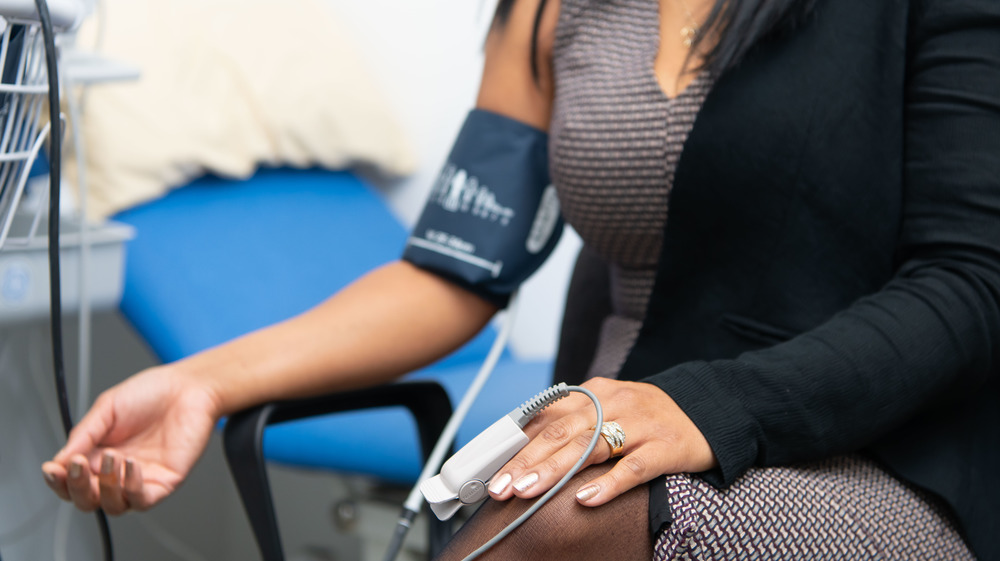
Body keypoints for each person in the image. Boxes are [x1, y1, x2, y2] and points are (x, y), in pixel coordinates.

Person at [43, 0, 1000, 559]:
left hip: (877, 452)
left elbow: (972, 283)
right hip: (606, 431)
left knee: (548, 520)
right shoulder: (553, 12)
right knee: (547, 500)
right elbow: (453, 272)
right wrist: (204, 380)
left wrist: (709, 406)